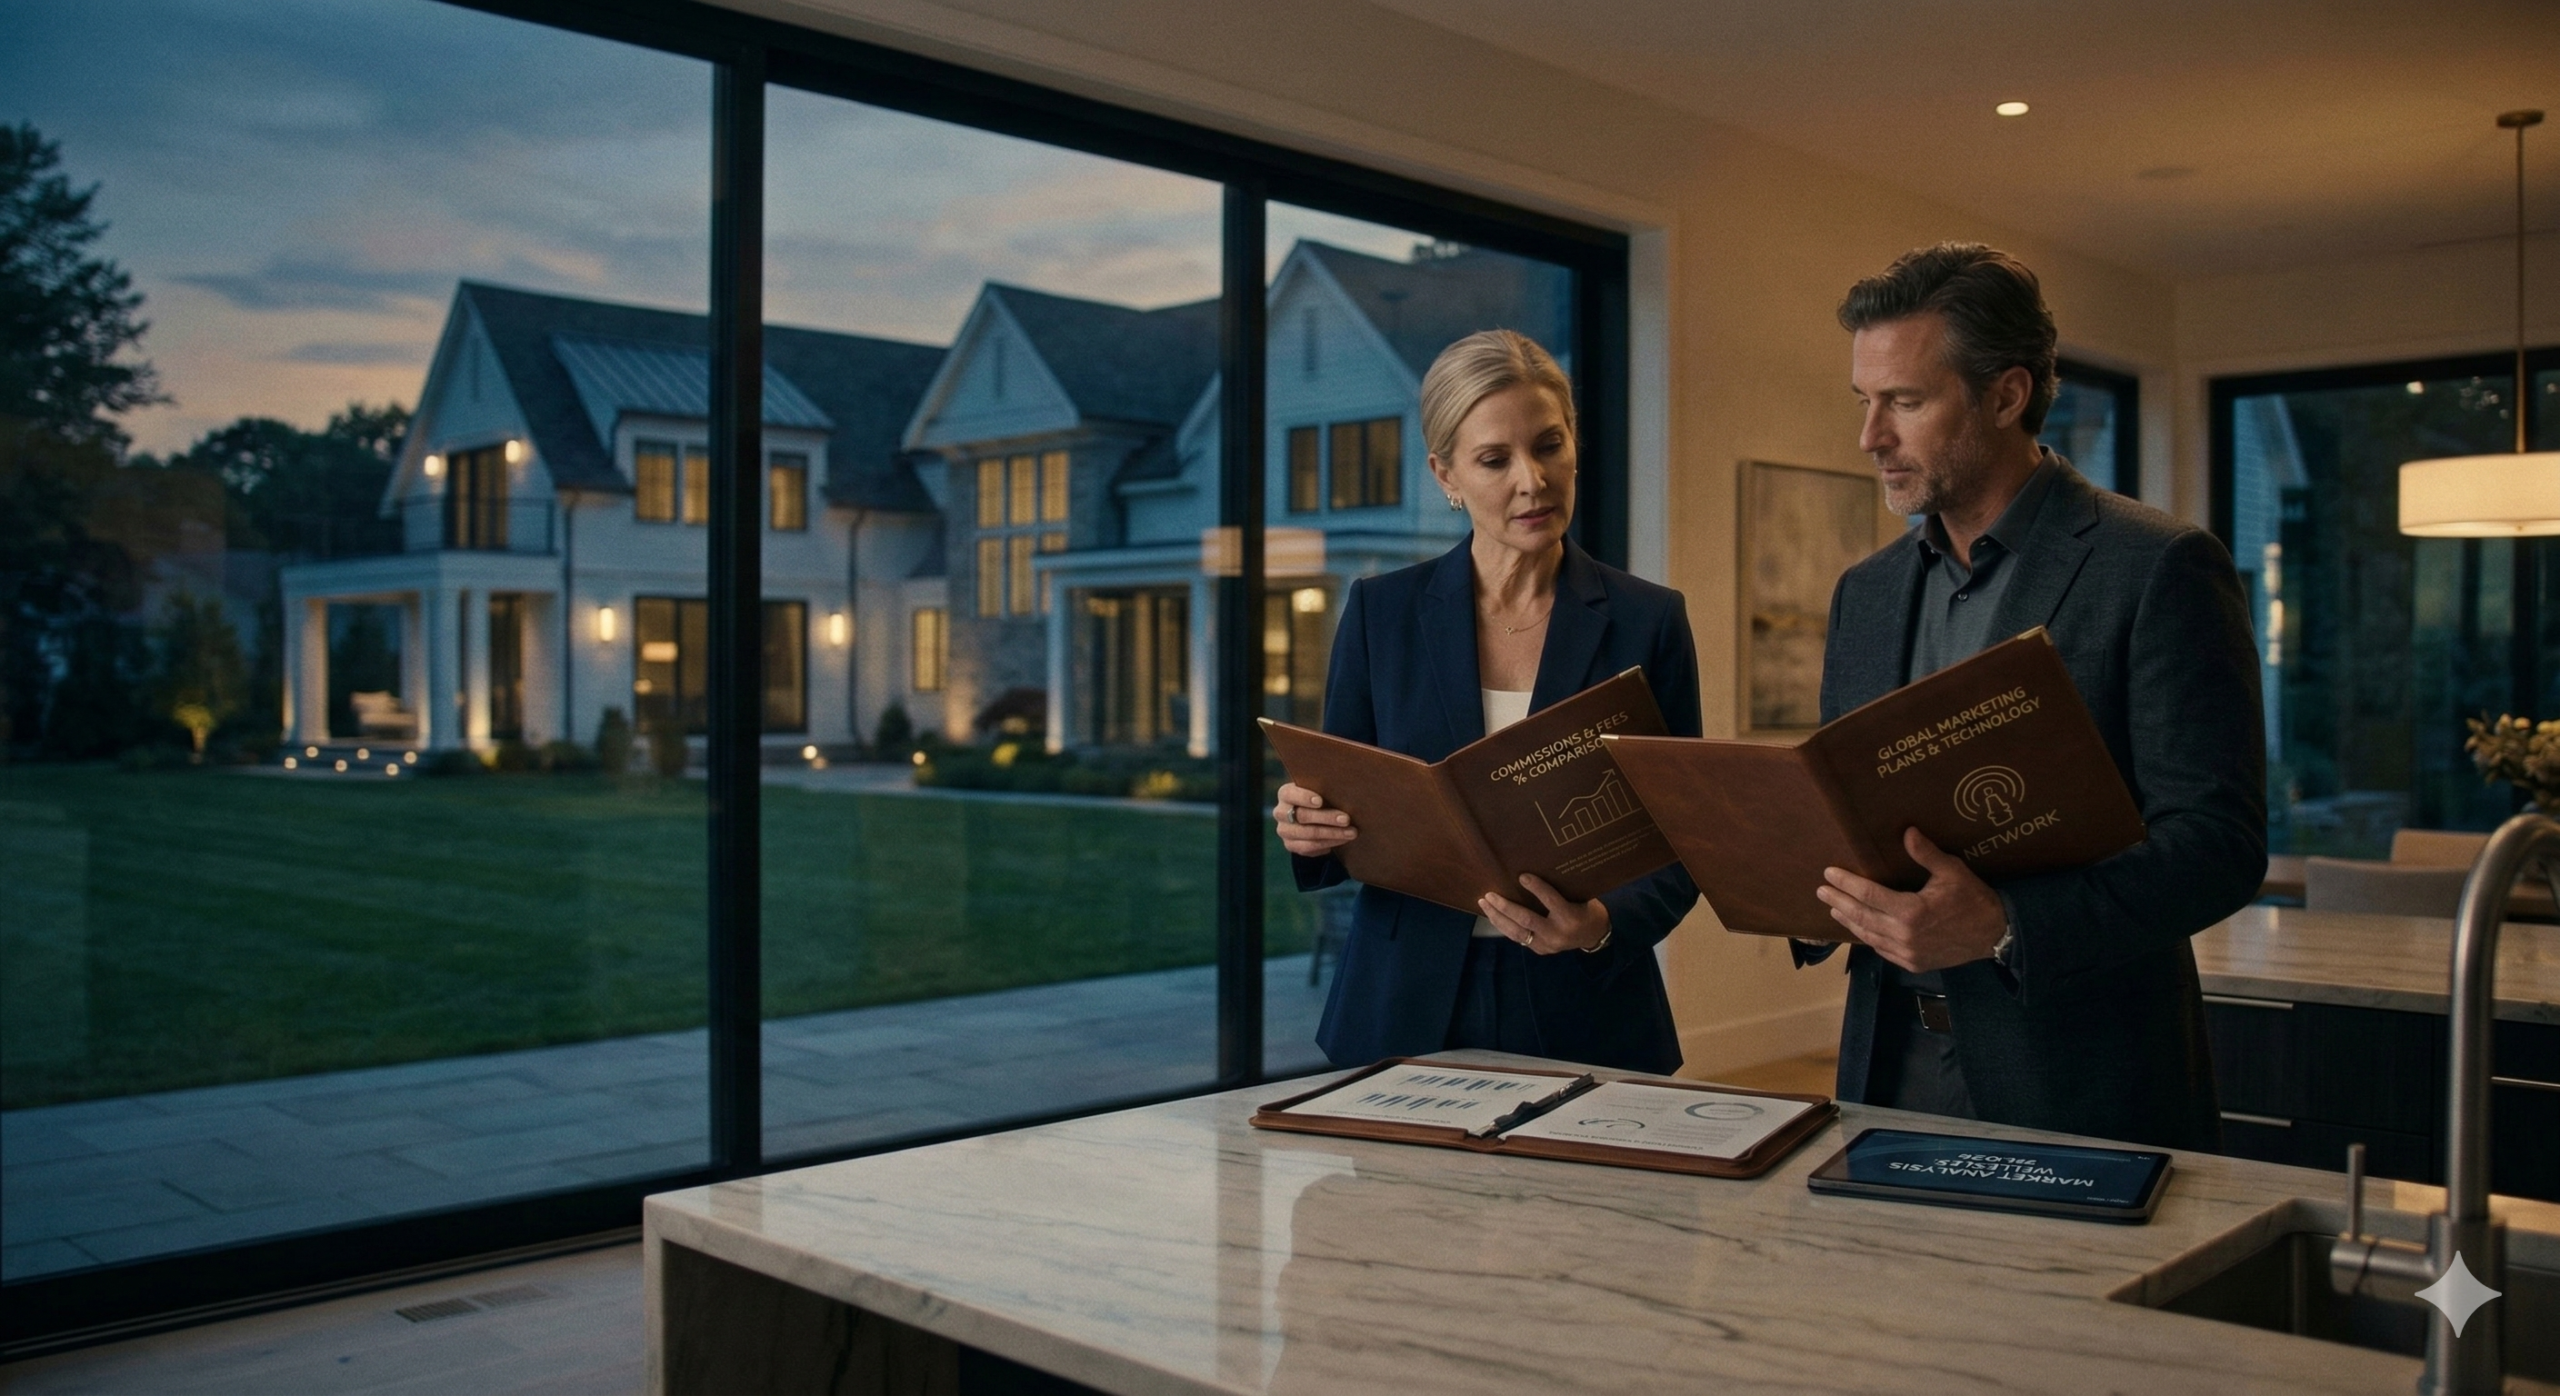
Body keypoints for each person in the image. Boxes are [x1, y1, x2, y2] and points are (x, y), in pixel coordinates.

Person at [1795, 243, 2265, 1150]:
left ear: (2007, 396)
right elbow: (1849, 809)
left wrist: (2007, 924)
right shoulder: (1867, 592)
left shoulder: (2159, 567)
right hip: (1884, 1064)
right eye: (1865, 402)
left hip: (2082, 1076)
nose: (1870, 438)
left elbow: (2218, 845)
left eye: (1905, 401)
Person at [1273, 329, 1701, 1074]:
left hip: (1589, 1000)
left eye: (1549, 445)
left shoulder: (1649, 620)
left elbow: (1689, 833)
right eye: (1495, 459)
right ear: (1446, 474)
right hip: (1401, 1004)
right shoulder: (1382, 612)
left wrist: (1602, 923)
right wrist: (1307, 827)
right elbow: (1338, 801)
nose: (1533, 480)